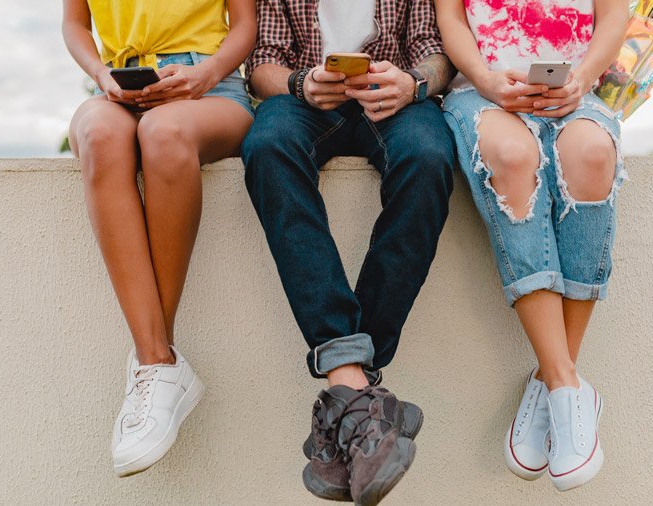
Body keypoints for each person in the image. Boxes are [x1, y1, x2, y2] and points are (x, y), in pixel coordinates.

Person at [240, 1, 456, 503]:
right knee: (268, 145)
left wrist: (413, 84)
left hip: (395, 102)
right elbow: (263, 62)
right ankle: (362, 394)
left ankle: (350, 386)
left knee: (428, 158)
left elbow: (434, 51)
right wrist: (300, 84)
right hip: (304, 104)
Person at [436, 0, 629, 491]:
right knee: (512, 155)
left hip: (575, 91)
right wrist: (483, 78)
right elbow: (452, 19)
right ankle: (567, 387)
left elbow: (613, 16)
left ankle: (552, 379)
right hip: (481, 93)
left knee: (591, 153)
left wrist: (582, 79)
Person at [62, 0, 255, 477]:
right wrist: (101, 74)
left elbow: (246, 25)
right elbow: (74, 23)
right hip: (120, 88)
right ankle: (158, 362)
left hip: (211, 89)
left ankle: (154, 365)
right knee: (98, 136)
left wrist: (204, 76)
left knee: (163, 135)